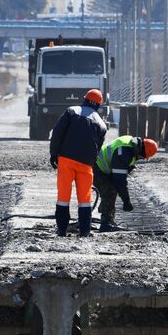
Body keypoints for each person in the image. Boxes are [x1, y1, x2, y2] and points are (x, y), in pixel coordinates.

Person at [48, 89, 109, 236]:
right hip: (86, 165)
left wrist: (54, 154)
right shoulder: (101, 123)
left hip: (66, 160)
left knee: (63, 196)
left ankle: (61, 230)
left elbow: (57, 133)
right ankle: (85, 233)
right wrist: (90, 162)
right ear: (98, 105)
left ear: (85, 99)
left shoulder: (71, 111)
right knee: (85, 199)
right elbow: (98, 148)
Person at [94, 135, 159, 231]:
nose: (140, 159)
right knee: (110, 191)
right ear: (142, 152)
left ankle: (109, 220)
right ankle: (105, 224)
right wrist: (126, 201)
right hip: (97, 167)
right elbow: (119, 181)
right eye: (142, 157)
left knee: (112, 190)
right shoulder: (124, 152)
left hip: (102, 167)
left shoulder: (130, 144)